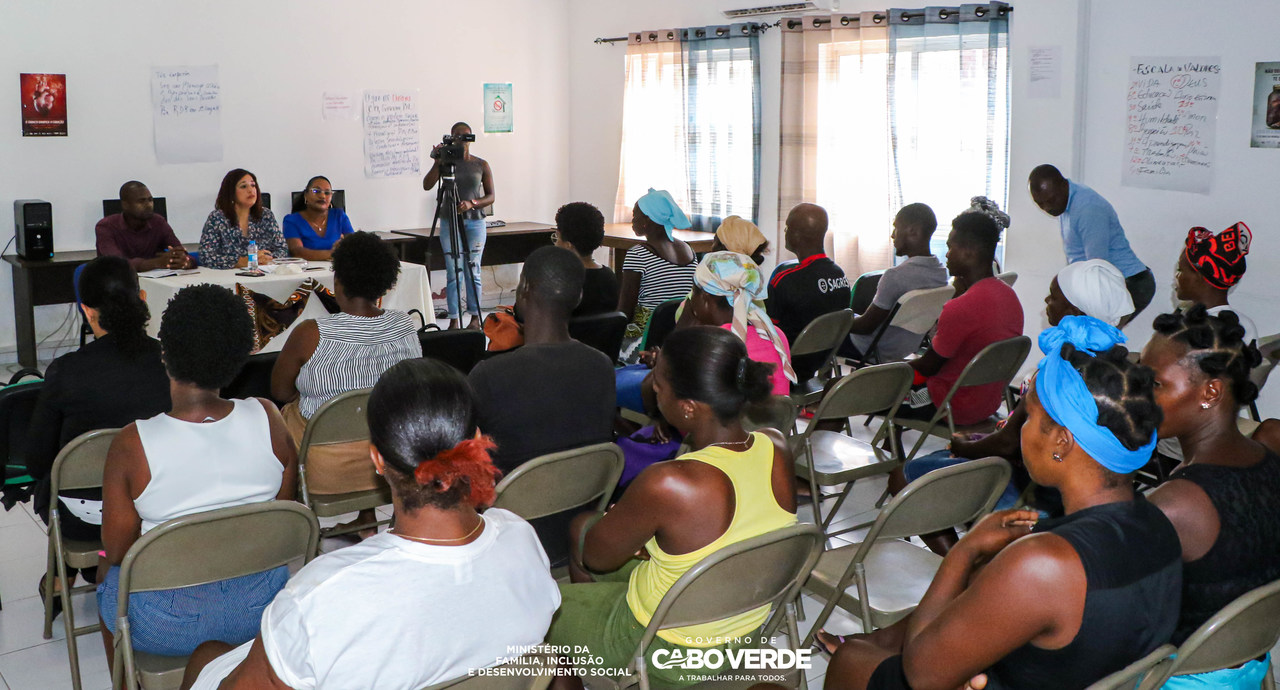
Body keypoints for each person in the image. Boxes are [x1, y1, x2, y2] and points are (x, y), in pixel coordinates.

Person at [823, 317, 1182, 690]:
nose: (1020, 430)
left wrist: (967, 549)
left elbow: (921, 673)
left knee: (852, 660)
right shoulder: (1160, 523)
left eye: (1030, 416)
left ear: (1061, 441)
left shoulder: (1043, 563)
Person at [181, 358, 560, 690]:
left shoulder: (319, 595)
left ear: (377, 459)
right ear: (476, 441)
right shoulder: (520, 538)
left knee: (206, 658)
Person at [548, 326, 797, 687]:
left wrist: (630, 524)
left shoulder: (670, 482)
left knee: (537, 611)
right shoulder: (776, 446)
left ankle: (605, 651)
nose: (654, 393)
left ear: (688, 407)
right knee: (583, 526)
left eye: (658, 387)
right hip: (745, 625)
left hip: (665, 648)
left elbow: (597, 558)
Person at [96, 284, 298, 662]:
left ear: (165, 353)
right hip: (261, 606)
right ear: (238, 356)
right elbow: (281, 523)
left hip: (167, 622)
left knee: (106, 572)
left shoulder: (133, 444)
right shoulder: (269, 417)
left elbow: (120, 550)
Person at [883, 259, 1134, 557]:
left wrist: (965, 448)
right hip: (1077, 488)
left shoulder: (1058, 371)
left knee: (905, 476)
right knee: (946, 455)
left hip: (1030, 488)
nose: (1046, 300)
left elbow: (1007, 445)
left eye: (1053, 296)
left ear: (1074, 311)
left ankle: (961, 562)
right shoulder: (1120, 368)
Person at [1144, 306, 1280, 688]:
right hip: (1249, 665)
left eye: (1155, 385)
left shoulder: (1179, 501)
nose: (1141, 396)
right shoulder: (1268, 460)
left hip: (1178, 678)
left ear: (1210, 392)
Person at [26, 257, 171, 611]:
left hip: (85, 521)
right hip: (158, 508)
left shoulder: (66, 371)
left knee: (57, 481)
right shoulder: (170, 361)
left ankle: (69, 572)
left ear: (87, 311)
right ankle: (101, 563)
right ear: (142, 298)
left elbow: (37, 461)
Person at [271, 231, 420, 535]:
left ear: (336, 282)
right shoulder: (404, 325)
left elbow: (280, 391)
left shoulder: (311, 333)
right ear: (386, 285)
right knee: (374, 409)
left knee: (281, 413)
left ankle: (284, 525)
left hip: (325, 472)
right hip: (392, 463)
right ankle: (367, 517)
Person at [903, 211, 1023, 426]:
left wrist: (883, 372)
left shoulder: (961, 307)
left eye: (950, 247)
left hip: (948, 404)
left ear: (969, 252)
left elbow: (927, 367)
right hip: (988, 402)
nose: (947, 255)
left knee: (857, 390)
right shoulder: (1010, 297)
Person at [1028, 164, 1154, 325]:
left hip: (1129, 284)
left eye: (1050, 200)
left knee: (1097, 340)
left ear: (1063, 184)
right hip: (1109, 282)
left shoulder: (1088, 209)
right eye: (1040, 204)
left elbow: (1097, 269)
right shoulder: (1064, 202)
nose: (1047, 208)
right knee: (1093, 340)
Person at [841, 203, 946, 364]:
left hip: (870, 348)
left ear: (913, 231)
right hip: (903, 349)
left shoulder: (895, 276)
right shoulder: (940, 272)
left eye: (896, 227)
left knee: (821, 328)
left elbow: (865, 327)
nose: (892, 235)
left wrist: (836, 323)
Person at [765, 203, 852, 380]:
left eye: (787, 227)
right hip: (820, 360)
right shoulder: (839, 275)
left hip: (785, 362)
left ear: (796, 235)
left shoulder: (785, 279)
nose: (785, 232)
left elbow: (767, 329)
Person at [423, 122, 495, 330]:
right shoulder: (445, 162)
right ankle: (454, 318)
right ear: (450, 137)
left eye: (465, 136)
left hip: (475, 222)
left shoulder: (481, 164)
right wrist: (438, 161)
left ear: (471, 138)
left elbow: (491, 196)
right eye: (456, 136)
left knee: (474, 270)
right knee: (454, 271)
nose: (460, 140)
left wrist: (471, 203)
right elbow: (427, 185)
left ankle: (474, 318)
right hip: (449, 221)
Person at [618, 188, 698, 348]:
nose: (632, 220)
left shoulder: (638, 254)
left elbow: (625, 311)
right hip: (680, 338)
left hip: (644, 340)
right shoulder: (689, 250)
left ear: (647, 220)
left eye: (635, 215)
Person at [1174, 222, 1257, 343]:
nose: (1176, 277)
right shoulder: (1246, 325)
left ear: (1200, 277)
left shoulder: (1196, 329)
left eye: (1180, 270)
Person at [199, 168, 288, 270]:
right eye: (243, 186)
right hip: (228, 277)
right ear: (231, 193)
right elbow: (205, 256)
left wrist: (266, 259)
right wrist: (240, 261)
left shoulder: (266, 215)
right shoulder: (217, 218)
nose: (250, 190)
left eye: (253, 185)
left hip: (264, 273)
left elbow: (282, 249)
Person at [95, 181, 193, 270]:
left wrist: (184, 261)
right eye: (141, 201)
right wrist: (156, 263)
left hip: (155, 281)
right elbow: (117, 265)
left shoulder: (158, 222)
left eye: (150, 200)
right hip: (117, 284)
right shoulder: (105, 227)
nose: (148, 205)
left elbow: (182, 253)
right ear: (125, 205)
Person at [553, 201, 619, 317]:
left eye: (557, 237)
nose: (556, 243)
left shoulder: (558, 282)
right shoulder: (610, 278)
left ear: (568, 244)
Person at [281, 175, 355, 260]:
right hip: (306, 271)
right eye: (316, 191)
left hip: (336, 269)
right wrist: (335, 253)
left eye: (327, 193)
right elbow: (297, 252)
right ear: (306, 195)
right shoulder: (291, 220)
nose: (322, 196)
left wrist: (346, 246)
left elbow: (354, 245)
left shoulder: (339, 216)